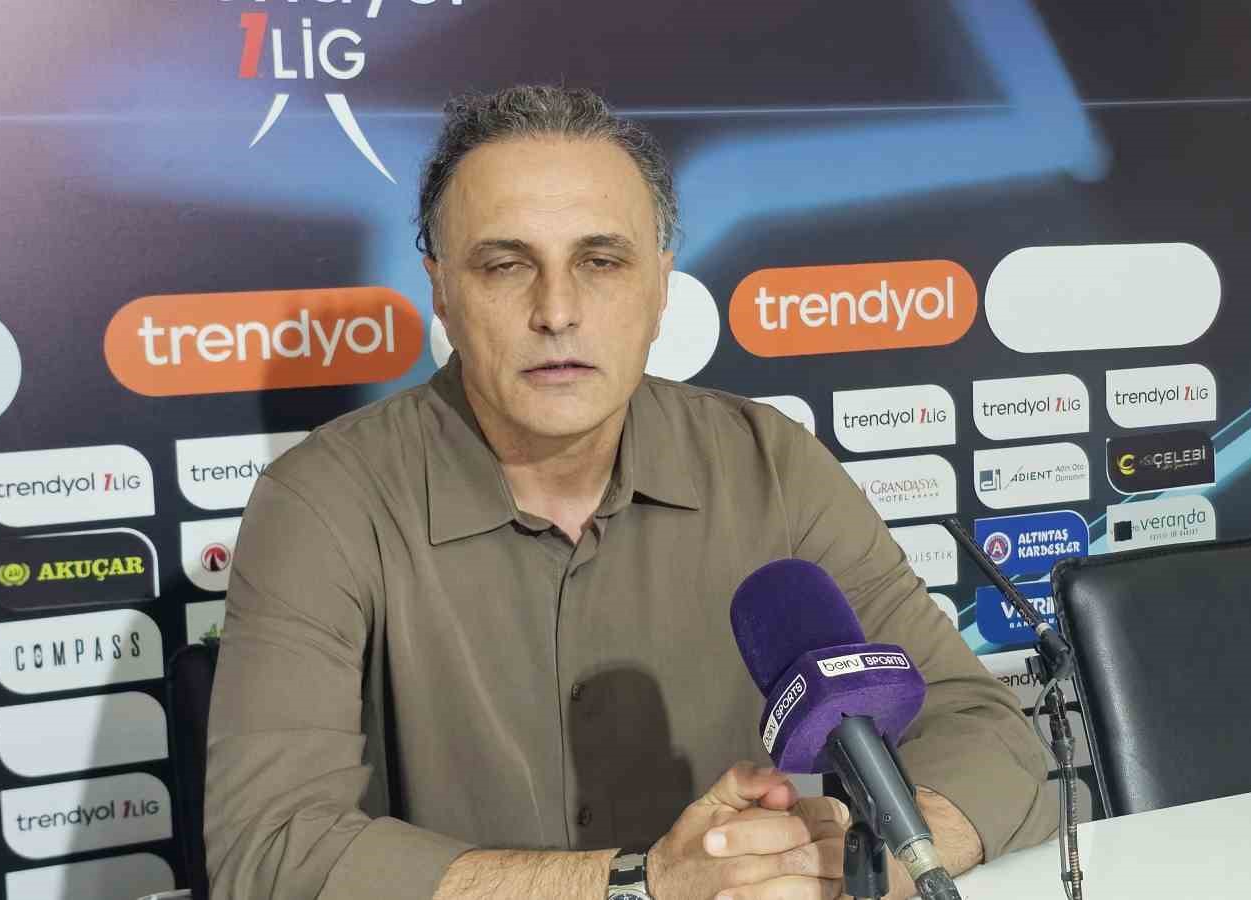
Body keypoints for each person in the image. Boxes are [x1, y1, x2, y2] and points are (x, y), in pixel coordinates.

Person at [205, 84, 1056, 900]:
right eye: (505, 265)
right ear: (441, 291)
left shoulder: (771, 465)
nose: (557, 310)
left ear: (659, 287)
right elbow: (270, 850)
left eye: (601, 261)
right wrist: (640, 886)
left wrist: (863, 861)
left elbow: (986, 735)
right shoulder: (322, 502)